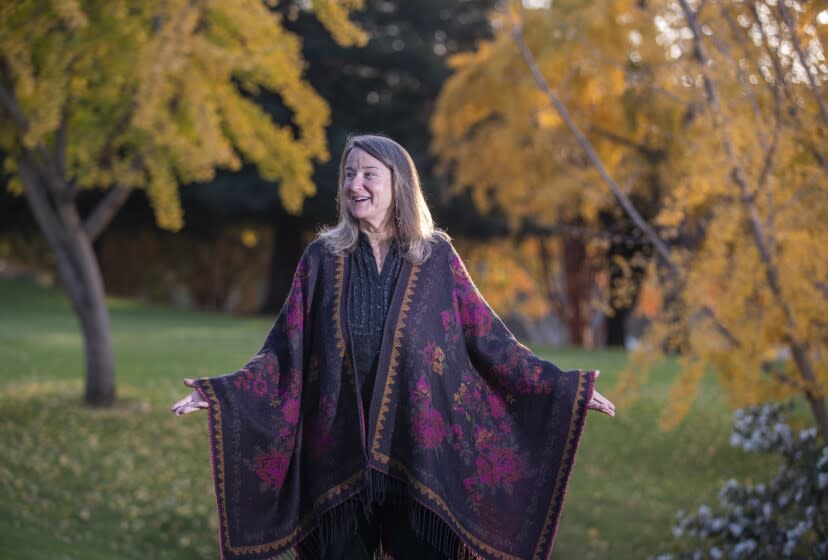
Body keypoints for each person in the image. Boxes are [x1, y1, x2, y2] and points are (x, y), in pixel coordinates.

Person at [171, 134, 615, 560]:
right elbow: (283, 348)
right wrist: (222, 394)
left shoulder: (436, 257)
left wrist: (564, 387)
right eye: (348, 174)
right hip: (337, 458)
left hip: (421, 458)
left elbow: (490, 338)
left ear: (398, 183)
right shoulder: (322, 258)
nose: (354, 185)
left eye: (368, 174)